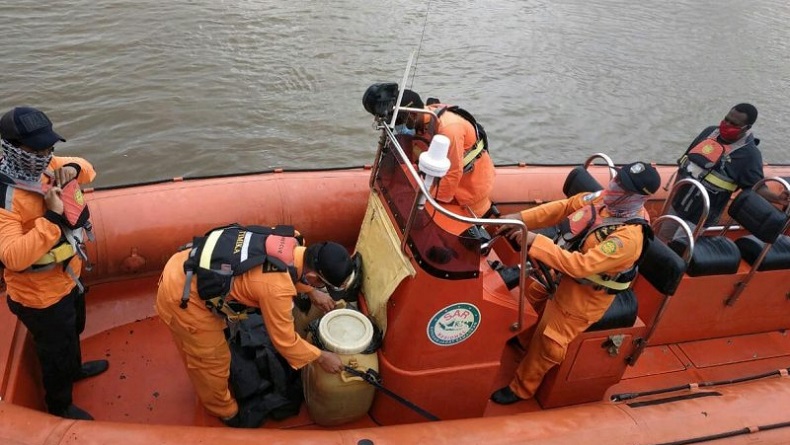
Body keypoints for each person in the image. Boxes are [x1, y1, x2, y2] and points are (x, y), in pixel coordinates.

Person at [490, 161, 660, 404]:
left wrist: (536, 242)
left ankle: (521, 388)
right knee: (530, 295)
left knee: (548, 342)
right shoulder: (604, 199)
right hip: (557, 273)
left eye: (624, 186)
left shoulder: (628, 238)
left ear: (638, 197)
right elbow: (566, 207)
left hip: (582, 298)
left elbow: (580, 266)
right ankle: (523, 342)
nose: (615, 186)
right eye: (618, 179)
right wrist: (520, 219)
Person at [155, 224, 353, 428]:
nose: (319, 288)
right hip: (182, 296)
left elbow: (288, 268)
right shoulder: (276, 289)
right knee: (211, 361)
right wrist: (322, 357)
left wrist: (311, 291)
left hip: (186, 261)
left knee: (209, 348)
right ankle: (224, 410)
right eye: (321, 285)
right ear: (313, 277)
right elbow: (286, 343)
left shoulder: (291, 237)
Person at [0, 106, 107, 420]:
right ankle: (60, 407)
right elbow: (13, 255)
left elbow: (88, 169)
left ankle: (75, 369)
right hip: (39, 297)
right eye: (38, 148)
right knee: (54, 354)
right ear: (13, 147)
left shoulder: (47, 164)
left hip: (67, 278)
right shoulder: (4, 195)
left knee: (75, 328)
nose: (46, 154)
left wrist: (72, 169)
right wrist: (51, 216)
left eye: (49, 147)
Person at [671, 103, 789, 230]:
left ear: (746, 128)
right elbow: (684, 161)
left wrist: (777, 198)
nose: (727, 125)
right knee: (662, 236)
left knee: (681, 247)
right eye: (726, 119)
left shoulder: (749, 156)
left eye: (733, 124)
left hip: (700, 216)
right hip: (677, 202)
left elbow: (757, 187)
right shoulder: (709, 132)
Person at [395, 89, 497, 219]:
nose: (400, 126)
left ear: (413, 115)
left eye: (400, 121)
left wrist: (432, 201)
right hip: (442, 180)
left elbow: (453, 172)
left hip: (469, 190)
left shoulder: (449, 128)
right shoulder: (424, 120)